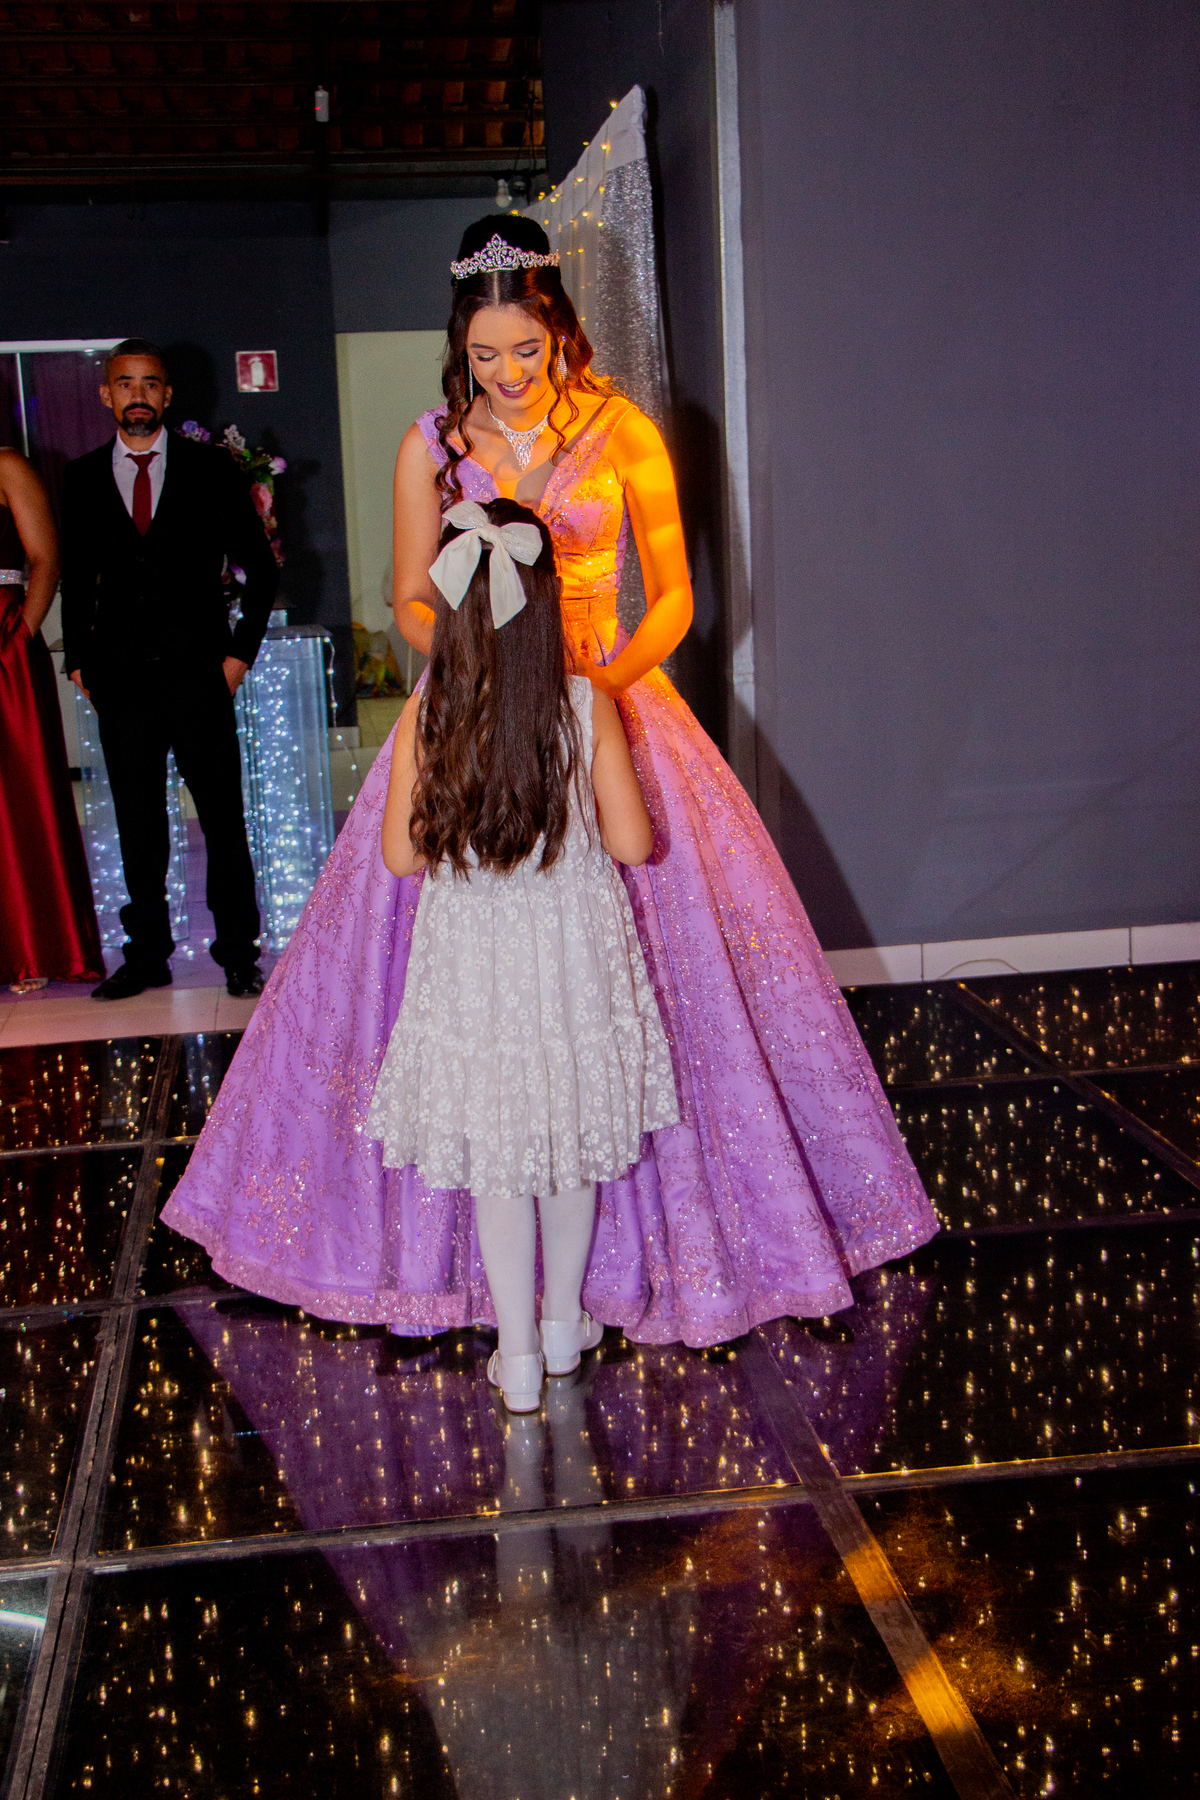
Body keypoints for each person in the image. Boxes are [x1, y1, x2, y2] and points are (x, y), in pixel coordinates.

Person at [161, 218, 938, 1348]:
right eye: (484, 356)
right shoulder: (431, 443)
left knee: (667, 972)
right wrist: (488, 681)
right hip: (476, 708)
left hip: (606, 704)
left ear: (560, 330)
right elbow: (409, 599)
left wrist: (591, 697)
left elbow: (674, 598)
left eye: (525, 350)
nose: (508, 374)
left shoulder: (623, 430)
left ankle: (661, 1258)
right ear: (460, 348)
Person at [366, 497, 678, 1410]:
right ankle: (563, 1324)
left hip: (473, 959)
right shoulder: (584, 704)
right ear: (546, 604)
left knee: (501, 1153)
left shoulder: (430, 713)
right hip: (570, 952)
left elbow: (400, 858)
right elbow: (633, 844)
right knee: (566, 1144)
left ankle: (517, 1355)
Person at [60, 338, 278, 1001]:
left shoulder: (210, 470)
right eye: (126, 383)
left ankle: (238, 954)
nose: (138, 395)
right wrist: (79, 663)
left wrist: (239, 655)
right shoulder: (82, 477)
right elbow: (77, 578)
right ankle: (147, 955)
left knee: (221, 819)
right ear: (107, 394)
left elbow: (260, 567)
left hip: (199, 675)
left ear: (167, 395)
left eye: (150, 383)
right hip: (120, 680)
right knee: (137, 824)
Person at [0, 448, 103, 992]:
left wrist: (20, 635)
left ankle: (31, 947)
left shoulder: (6, 466)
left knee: (16, 793)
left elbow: (45, 557)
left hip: (2, 643)